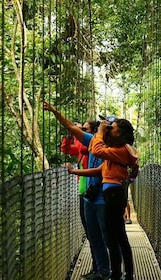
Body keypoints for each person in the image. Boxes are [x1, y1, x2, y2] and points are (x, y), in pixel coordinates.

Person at [44, 101, 110, 280]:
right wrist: (54, 111)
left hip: (104, 198)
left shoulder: (112, 148)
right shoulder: (93, 141)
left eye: (106, 126)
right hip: (89, 197)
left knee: (107, 238)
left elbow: (100, 170)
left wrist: (74, 171)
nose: (102, 127)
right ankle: (100, 271)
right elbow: (70, 129)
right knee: (94, 237)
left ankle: (109, 272)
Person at [88, 117, 138, 280]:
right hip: (115, 193)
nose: (110, 129)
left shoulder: (121, 151)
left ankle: (117, 275)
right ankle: (125, 274)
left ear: (121, 134)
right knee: (119, 236)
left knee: (112, 237)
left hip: (114, 194)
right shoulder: (124, 149)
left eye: (113, 128)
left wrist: (100, 131)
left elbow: (96, 151)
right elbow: (134, 168)